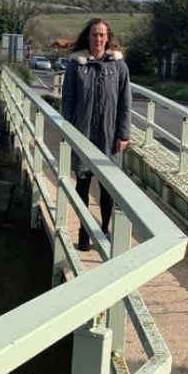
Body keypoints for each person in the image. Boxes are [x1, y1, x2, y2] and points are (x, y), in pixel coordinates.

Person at [61, 18, 132, 251]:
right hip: (82, 132)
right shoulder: (76, 64)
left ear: (108, 37)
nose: (98, 39)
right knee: (82, 183)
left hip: (109, 135)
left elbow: (125, 102)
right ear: (88, 37)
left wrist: (123, 133)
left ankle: (103, 228)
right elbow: (68, 100)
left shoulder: (119, 65)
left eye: (102, 35)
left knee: (107, 186)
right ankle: (83, 231)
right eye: (94, 34)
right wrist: (68, 131)